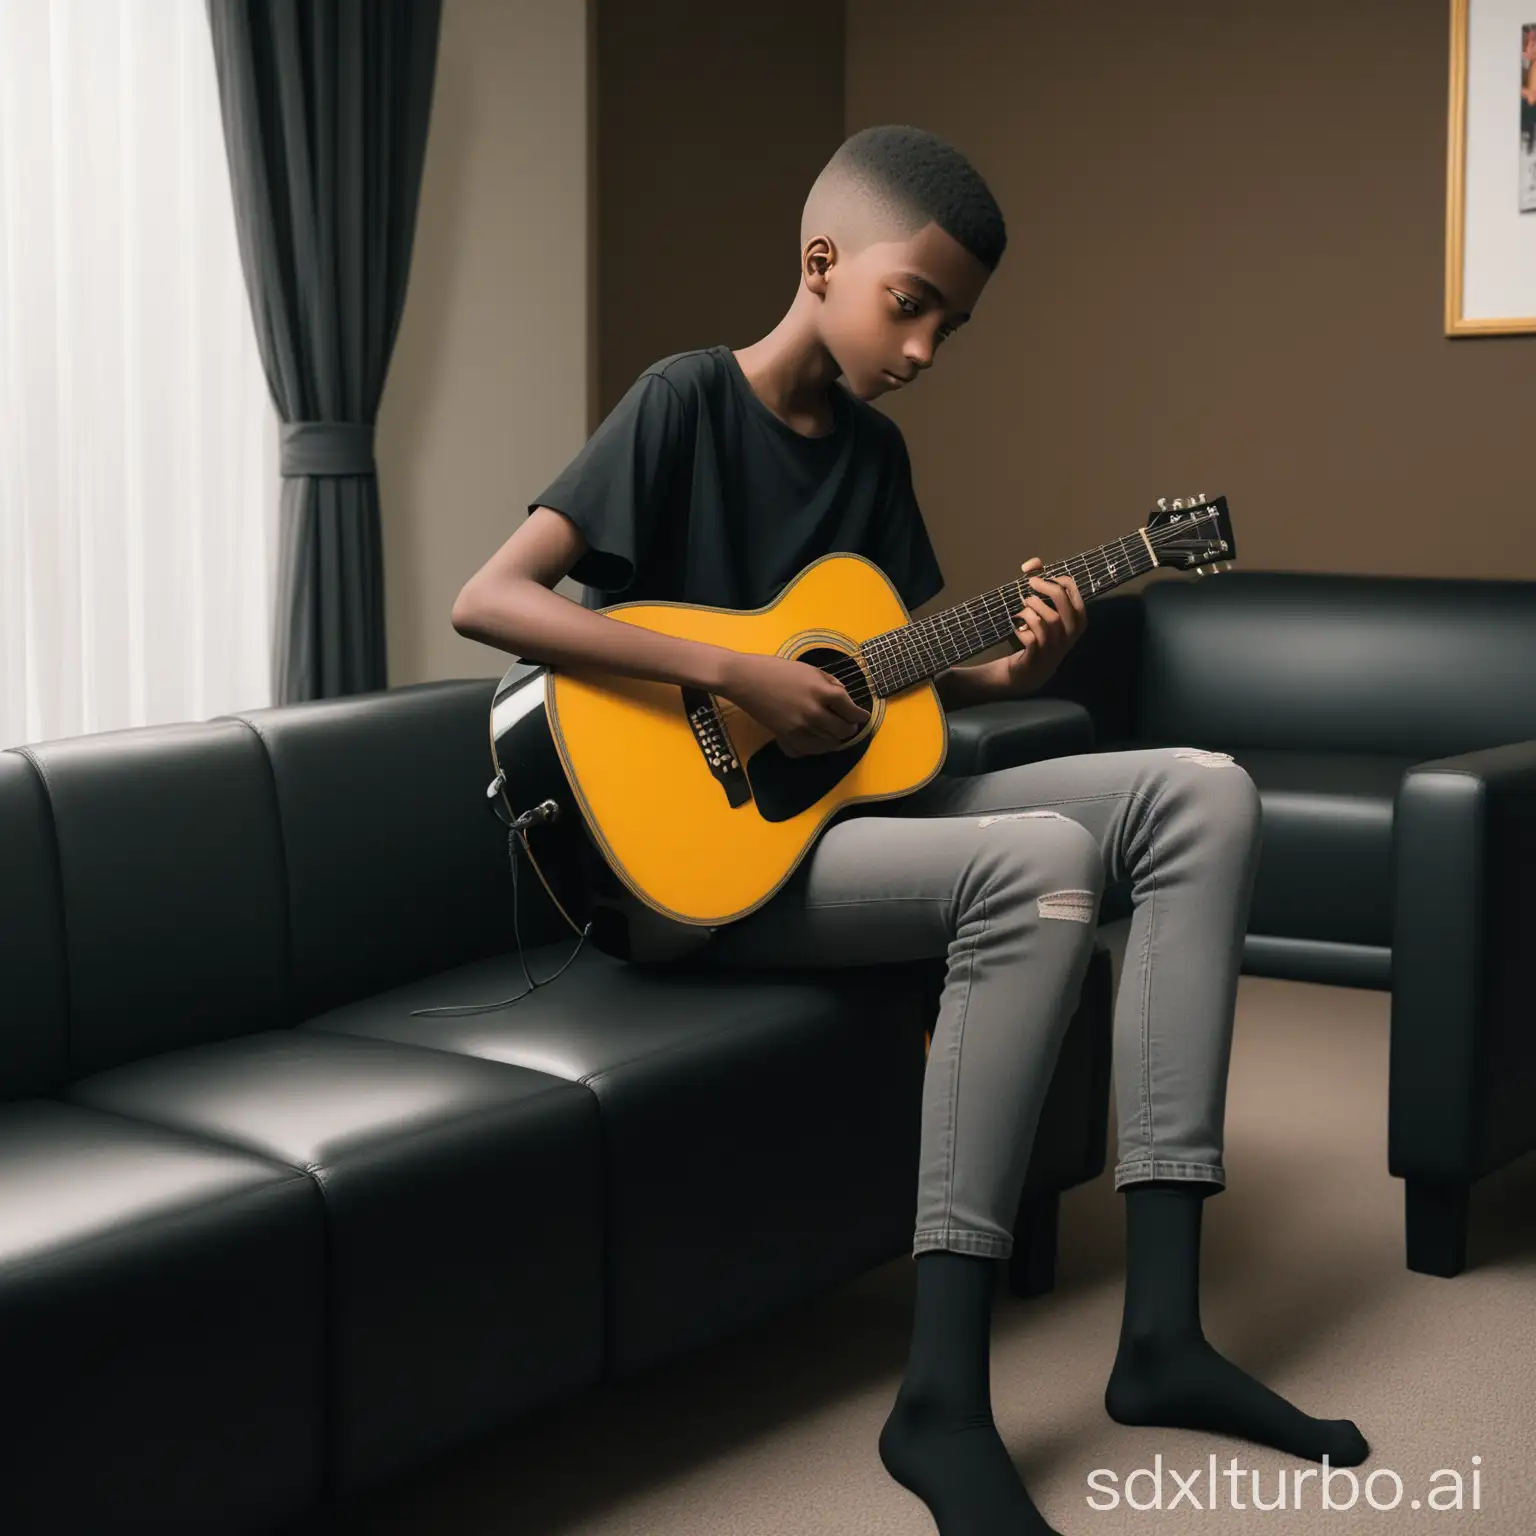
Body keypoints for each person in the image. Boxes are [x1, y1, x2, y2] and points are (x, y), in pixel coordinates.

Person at [452, 124, 1368, 1536]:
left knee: (1202, 790)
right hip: (703, 869)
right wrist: (732, 671)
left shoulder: (872, 458)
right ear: (822, 263)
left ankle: (1165, 1337)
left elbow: (909, 663)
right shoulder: (682, 403)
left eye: (954, 323)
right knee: (1044, 864)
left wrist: (1027, 656)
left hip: (851, 826)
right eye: (913, 303)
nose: (929, 346)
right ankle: (939, 1400)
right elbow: (491, 603)